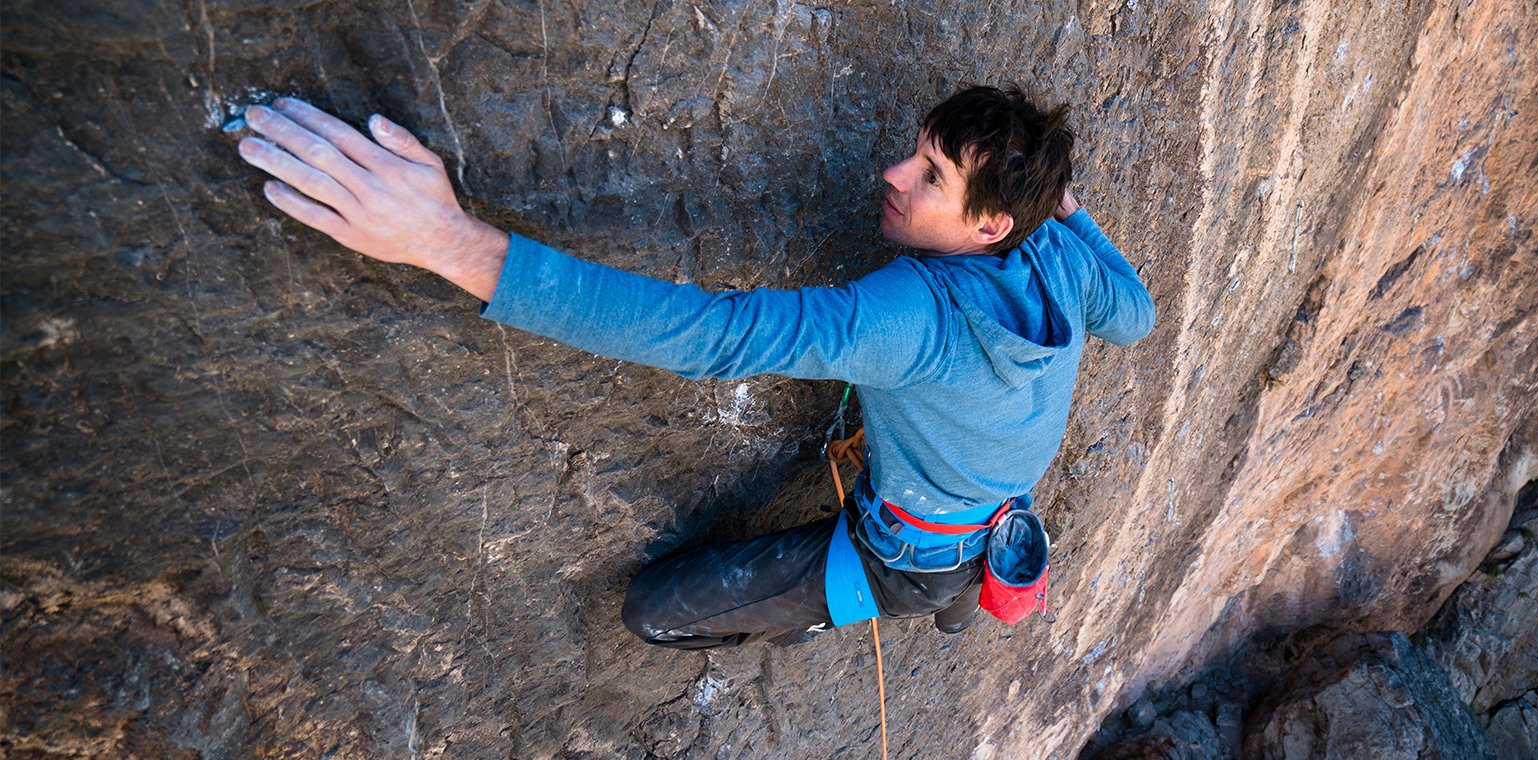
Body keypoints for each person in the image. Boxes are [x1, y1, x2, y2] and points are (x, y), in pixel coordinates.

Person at [234, 86, 1155, 648]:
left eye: (930, 178)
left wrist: (453, 243)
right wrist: (1067, 216)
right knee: (950, 585)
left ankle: (930, 602)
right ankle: (958, 604)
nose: (893, 174)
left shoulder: (913, 319)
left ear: (991, 227)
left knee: (655, 613)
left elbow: (717, 335)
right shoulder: (1059, 257)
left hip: (906, 556)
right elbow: (1138, 316)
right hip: (994, 502)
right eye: (916, 152)